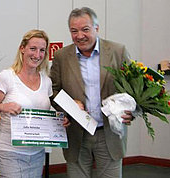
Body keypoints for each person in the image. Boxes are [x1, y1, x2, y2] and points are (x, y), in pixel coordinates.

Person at [50, 7, 133, 178]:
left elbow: (134, 88)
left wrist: (132, 112)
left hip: (109, 133)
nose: (79, 35)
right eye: (74, 31)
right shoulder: (61, 56)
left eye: (85, 29)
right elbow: (53, 90)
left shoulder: (118, 52)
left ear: (97, 28)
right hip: (76, 134)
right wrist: (67, 107)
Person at [0, 29, 63, 178]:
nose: (37, 55)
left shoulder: (46, 81)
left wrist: (58, 120)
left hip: (37, 154)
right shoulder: (7, 77)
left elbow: (45, 113)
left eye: (42, 50)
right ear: (22, 48)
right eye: (33, 49)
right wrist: (1, 107)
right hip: (10, 154)